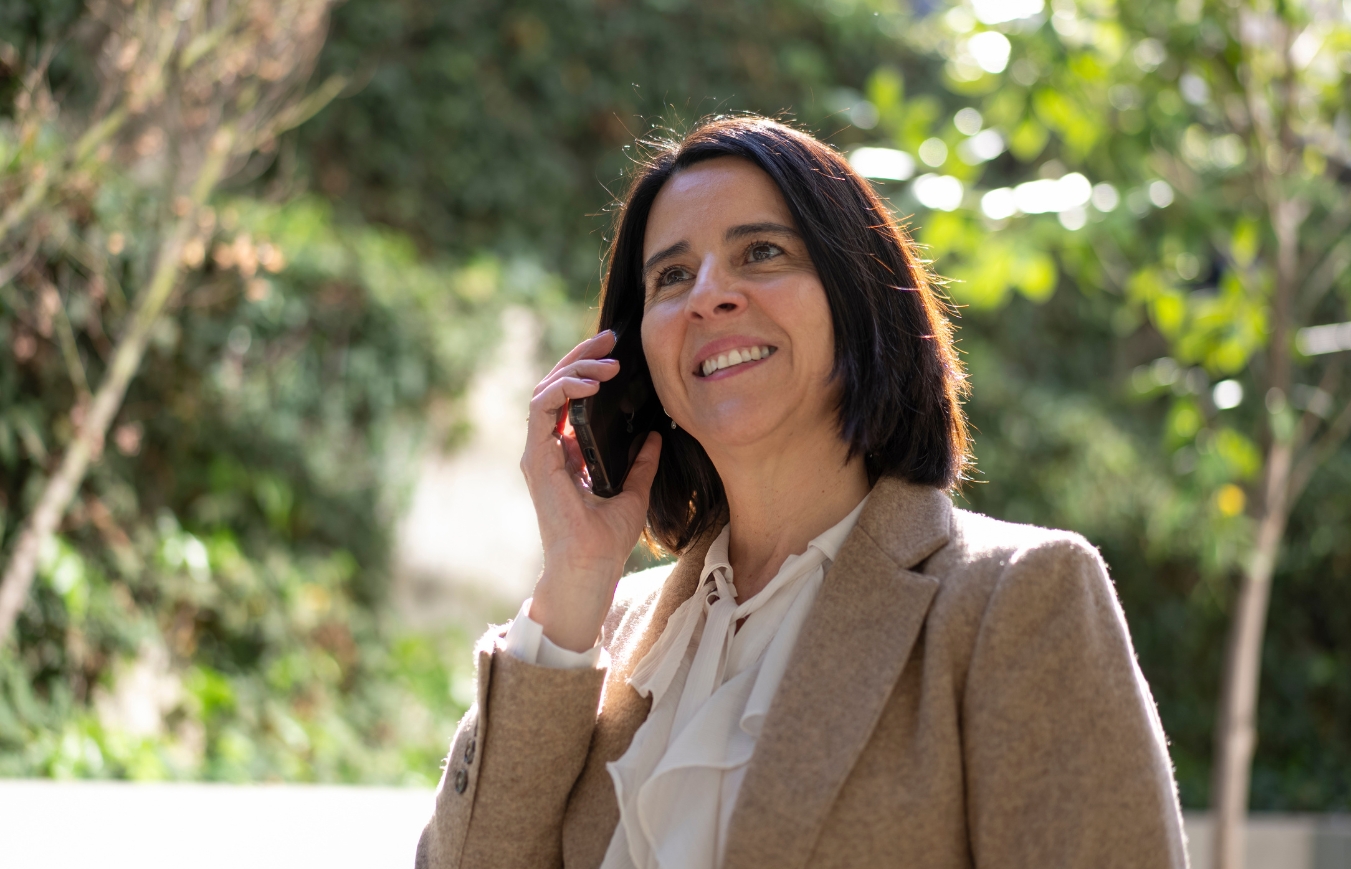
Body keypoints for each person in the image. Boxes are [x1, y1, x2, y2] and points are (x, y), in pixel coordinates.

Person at [416, 116, 1187, 869]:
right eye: (672, 276)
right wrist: (573, 582)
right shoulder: (600, 635)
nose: (708, 295)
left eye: (761, 252)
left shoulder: (1016, 600)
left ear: (857, 300)